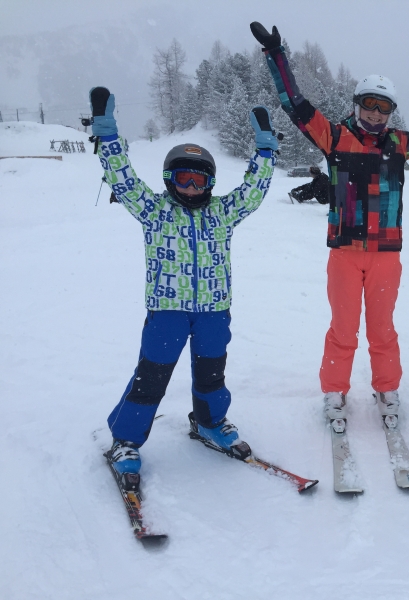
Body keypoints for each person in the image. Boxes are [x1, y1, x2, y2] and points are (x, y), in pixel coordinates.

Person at [250, 22, 409, 432]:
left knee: (382, 330)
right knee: (343, 329)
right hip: (344, 253)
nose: (376, 113)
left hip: (385, 256)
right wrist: (276, 55)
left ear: (390, 112)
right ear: (357, 104)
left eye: (383, 107)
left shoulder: (399, 144)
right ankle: (334, 391)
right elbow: (295, 105)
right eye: (369, 104)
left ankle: (387, 388)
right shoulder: (334, 137)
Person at [88, 86, 279, 484]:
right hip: (167, 312)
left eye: (199, 179)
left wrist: (265, 150)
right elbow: (123, 180)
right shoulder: (155, 210)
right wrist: (107, 136)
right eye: (183, 178)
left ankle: (209, 422)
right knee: (152, 378)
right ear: (169, 180)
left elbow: (253, 191)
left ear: (210, 183)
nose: (191, 186)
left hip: (214, 312)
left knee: (212, 375)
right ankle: (125, 440)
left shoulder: (223, 212)